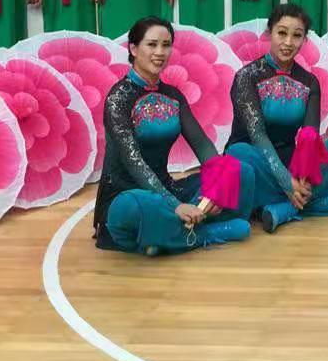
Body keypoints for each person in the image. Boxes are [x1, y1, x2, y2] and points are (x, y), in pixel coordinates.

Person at [94, 17, 254, 254]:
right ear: (134, 49)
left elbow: (203, 146)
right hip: (128, 196)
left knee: (240, 172)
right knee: (136, 207)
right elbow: (134, 163)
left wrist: (218, 182)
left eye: (166, 45)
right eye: (152, 44)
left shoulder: (173, 96)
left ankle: (166, 238)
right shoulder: (118, 98)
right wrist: (176, 206)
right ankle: (208, 233)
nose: (160, 52)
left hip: (167, 188)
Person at [227, 3, 328, 231]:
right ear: (270, 33)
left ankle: (281, 209)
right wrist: (287, 182)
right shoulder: (247, 76)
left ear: (304, 40)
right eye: (282, 33)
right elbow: (257, 136)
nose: (288, 42)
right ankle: (312, 203)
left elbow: (310, 137)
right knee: (238, 153)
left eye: (297, 36)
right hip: (256, 157)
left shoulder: (310, 82)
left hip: (290, 159)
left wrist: (301, 178)